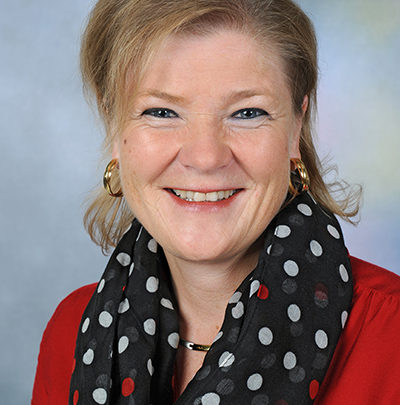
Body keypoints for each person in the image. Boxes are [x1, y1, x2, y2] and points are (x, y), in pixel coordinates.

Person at [32, 0, 400, 404]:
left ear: (296, 126)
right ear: (114, 123)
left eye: (247, 113)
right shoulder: (71, 331)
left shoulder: (391, 335)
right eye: (162, 112)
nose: (206, 157)